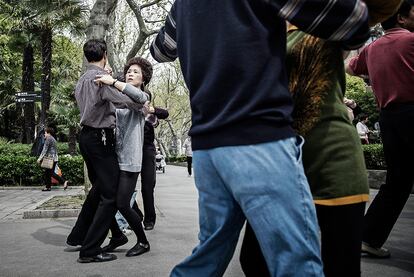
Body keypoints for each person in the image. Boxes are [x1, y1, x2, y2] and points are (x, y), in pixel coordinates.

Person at [150, 1, 370, 276]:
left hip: (208, 147)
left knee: (208, 256)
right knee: (295, 263)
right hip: (259, 140)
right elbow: (354, 20)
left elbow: (160, 50)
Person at [346, 0, 414, 258]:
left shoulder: (372, 48)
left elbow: (351, 67)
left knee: (397, 181)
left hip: (389, 118)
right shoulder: (410, 40)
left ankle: (369, 236)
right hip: (411, 111)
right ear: (402, 18)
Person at [66, 39, 144, 263]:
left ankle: (102, 236)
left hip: (87, 138)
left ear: (86, 56)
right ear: (105, 55)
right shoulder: (100, 80)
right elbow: (130, 101)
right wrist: (124, 89)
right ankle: (90, 250)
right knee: (110, 195)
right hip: (100, 140)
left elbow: (103, 104)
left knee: (99, 190)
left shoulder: (83, 80)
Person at [94, 57, 151, 257]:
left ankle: (143, 242)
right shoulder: (120, 96)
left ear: (144, 78)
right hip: (115, 157)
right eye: (129, 71)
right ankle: (117, 236)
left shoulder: (142, 97)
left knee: (122, 204)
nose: (130, 73)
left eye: (136, 72)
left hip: (130, 160)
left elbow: (140, 98)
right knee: (106, 200)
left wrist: (115, 82)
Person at [140, 97, 169, 231]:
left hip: (147, 149)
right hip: (128, 148)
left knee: (147, 186)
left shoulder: (151, 114)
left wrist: (150, 109)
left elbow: (165, 113)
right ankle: (135, 214)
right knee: (123, 187)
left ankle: (149, 219)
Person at [37, 127, 68, 191]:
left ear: (49, 133)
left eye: (45, 133)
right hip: (54, 158)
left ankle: (63, 181)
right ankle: (48, 187)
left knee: (50, 173)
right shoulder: (53, 139)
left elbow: (44, 150)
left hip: (50, 159)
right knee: (48, 173)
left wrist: (39, 158)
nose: (44, 134)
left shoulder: (48, 139)